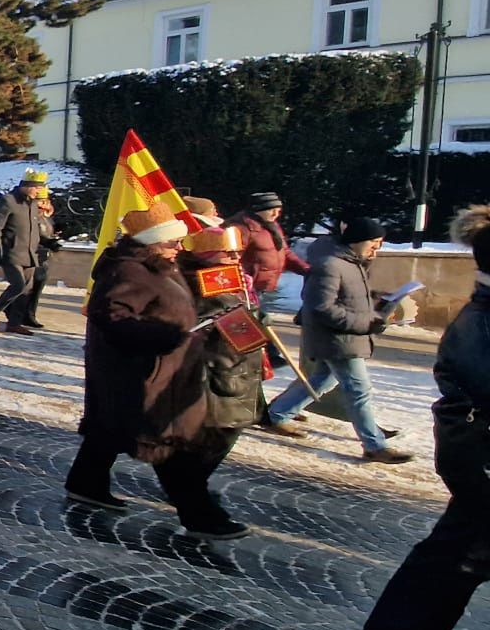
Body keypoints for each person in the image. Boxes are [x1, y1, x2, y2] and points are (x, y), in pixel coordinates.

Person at [356, 204, 490, 630]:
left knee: (455, 553)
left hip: (476, 452)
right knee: (460, 557)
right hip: (479, 454)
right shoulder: (482, 321)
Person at [64, 201, 206, 510]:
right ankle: (202, 515)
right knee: (164, 444)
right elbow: (111, 315)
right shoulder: (129, 270)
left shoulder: (158, 266)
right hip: (139, 368)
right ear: (153, 243)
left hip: (149, 367)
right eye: (173, 242)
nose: (179, 248)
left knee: (108, 430)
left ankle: (85, 485)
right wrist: (166, 336)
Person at [257, 217, 413, 463]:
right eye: (374, 242)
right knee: (359, 390)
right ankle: (374, 444)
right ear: (358, 240)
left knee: (321, 380)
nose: (377, 248)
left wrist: (379, 303)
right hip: (337, 339)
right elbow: (322, 307)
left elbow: (349, 297)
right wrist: (365, 323)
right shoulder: (330, 265)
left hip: (344, 338)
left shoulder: (352, 263)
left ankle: (276, 414)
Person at [166, 225, 259, 539]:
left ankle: (194, 497)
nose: (235, 258)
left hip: (235, 373)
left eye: (236, 252)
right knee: (204, 446)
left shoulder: (229, 281)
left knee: (219, 440)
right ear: (207, 254)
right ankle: (195, 506)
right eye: (227, 252)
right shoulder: (200, 284)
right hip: (216, 375)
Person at [0, 170, 48, 335]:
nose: (38, 192)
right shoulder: (8, 201)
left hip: (29, 254)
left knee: (27, 289)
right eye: (36, 188)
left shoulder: (32, 204)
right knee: (18, 285)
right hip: (11, 252)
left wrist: (48, 242)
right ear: (25, 186)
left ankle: (14, 323)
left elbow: (33, 229)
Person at [228, 192, 310, 303]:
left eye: (278, 210)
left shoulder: (271, 226)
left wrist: (305, 269)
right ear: (258, 210)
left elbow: (284, 252)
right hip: (247, 289)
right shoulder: (241, 228)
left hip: (263, 287)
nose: (275, 214)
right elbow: (229, 258)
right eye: (271, 210)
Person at [15, 191, 63, 330]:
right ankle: (17, 313)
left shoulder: (46, 216)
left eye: (46, 200)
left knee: (38, 285)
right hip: (32, 254)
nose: (45, 203)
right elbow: (35, 235)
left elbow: (47, 232)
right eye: (42, 201)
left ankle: (29, 314)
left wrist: (56, 232)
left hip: (43, 255)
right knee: (26, 286)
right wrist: (49, 242)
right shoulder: (31, 215)